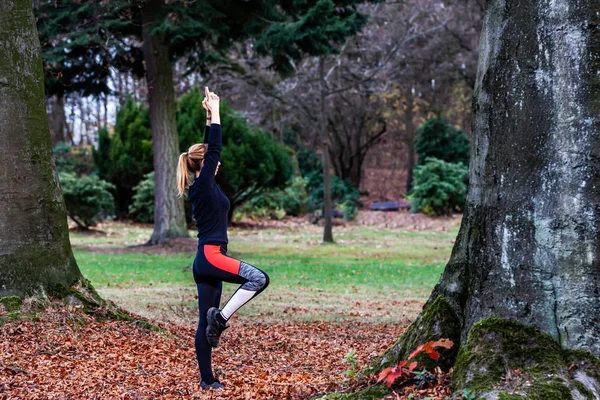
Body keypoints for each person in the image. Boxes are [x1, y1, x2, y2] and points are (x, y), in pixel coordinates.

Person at [176, 87, 270, 390]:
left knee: (204, 324)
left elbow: (208, 147)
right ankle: (223, 318)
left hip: (203, 260)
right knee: (259, 279)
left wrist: (207, 114)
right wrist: (216, 111)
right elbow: (213, 148)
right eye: (213, 159)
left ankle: (207, 381)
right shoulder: (203, 184)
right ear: (204, 162)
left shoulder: (204, 186)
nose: (219, 162)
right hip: (212, 257)